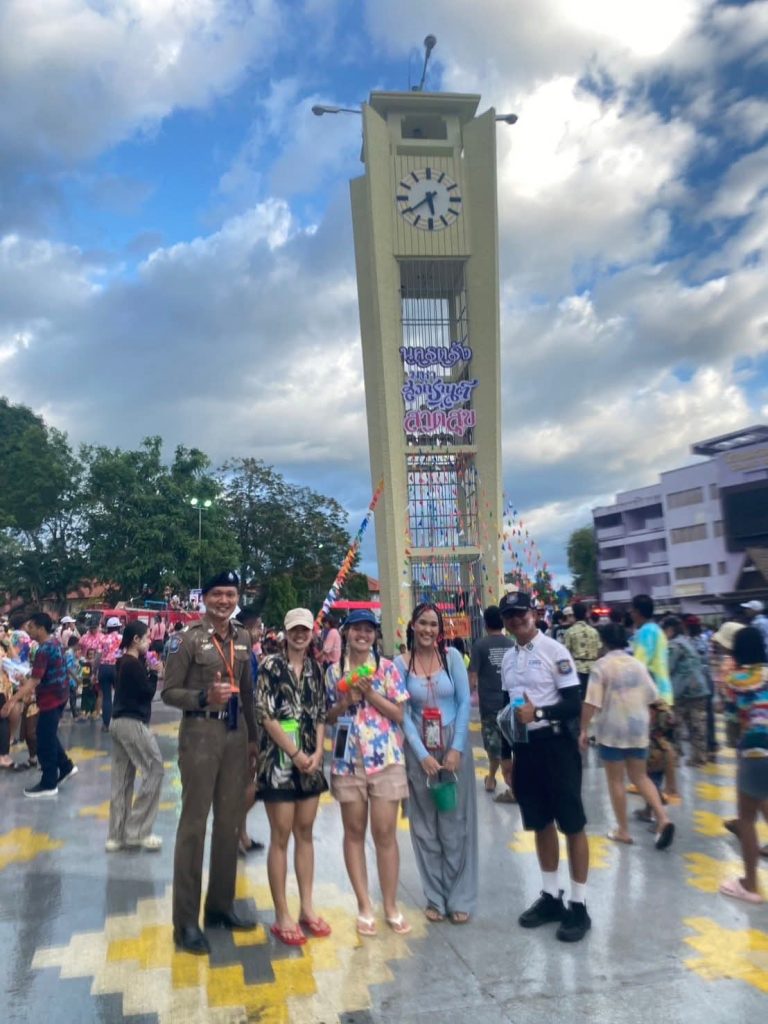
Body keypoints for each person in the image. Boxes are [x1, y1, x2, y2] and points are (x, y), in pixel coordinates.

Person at [162, 570, 258, 956]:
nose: (224, 600)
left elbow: (247, 691)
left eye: (230, 594)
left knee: (229, 823)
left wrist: (253, 739)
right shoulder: (186, 639)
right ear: (205, 598)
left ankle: (220, 906)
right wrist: (204, 697)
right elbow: (169, 692)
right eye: (217, 594)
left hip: (236, 735)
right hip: (200, 734)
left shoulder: (244, 638)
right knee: (194, 826)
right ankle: (185, 922)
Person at [498, 591, 590, 943]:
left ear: (533, 614)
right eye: (509, 615)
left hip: (557, 746)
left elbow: (573, 703)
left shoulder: (555, 651)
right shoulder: (508, 659)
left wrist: (538, 712)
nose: (516, 619)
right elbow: (507, 708)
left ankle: (579, 904)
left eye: (521, 612)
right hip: (526, 749)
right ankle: (551, 896)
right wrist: (506, 754)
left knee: (572, 824)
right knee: (540, 823)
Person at [326, 608, 411, 936]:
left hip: (385, 758)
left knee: (385, 832)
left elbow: (399, 714)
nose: (362, 635)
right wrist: (345, 701)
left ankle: (390, 905)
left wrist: (371, 694)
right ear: (346, 633)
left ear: (375, 635)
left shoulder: (387, 669)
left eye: (368, 630)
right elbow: (327, 716)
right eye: (356, 629)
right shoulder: (333, 672)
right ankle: (364, 905)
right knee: (353, 831)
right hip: (347, 759)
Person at [394, 602, 477, 925]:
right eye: (423, 623)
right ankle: (435, 897)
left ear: (439, 630)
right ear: (412, 626)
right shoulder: (400, 664)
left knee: (455, 823)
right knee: (425, 826)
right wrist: (422, 755)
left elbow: (464, 702)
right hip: (421, 749)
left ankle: (460, 897)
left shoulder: (451, 658)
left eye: (433, 624)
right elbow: (402, 714)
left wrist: (456, 748)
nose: (428, 630)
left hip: (453, 742)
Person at [254, 607, 330, 947]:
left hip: (310, 763)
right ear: (285, 633)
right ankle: (282, 913)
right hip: (279, 763)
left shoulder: (316, 669)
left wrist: (317, 753)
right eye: (294, 630)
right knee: (281, 835)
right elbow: (265, 714)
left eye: (305, 630)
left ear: (312, 633)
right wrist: (295, 753)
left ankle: (307, 907)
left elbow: (321, 713)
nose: (300, 635)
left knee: (305, 833)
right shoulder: (270, 666)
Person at [578, 623, 675, 849]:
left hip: (612, 730)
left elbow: (591, 702)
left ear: (603, 642)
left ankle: (623, 830)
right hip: (638, 727)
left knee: (615, 780)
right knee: (640, 777)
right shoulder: (637, 664)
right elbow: (653, 696)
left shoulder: (602, 666)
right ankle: (663, 818)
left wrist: (583, 729)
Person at [718, 626, 768, 903]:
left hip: (755, 752)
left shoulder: (735, 680)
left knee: (746, 819)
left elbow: (732, 724)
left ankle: (749, 884)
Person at [106, 621, 164, 852]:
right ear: (136, 640)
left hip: (118, 722)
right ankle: (137, 831)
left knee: (122, 778)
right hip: (132, 722)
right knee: (154, 768)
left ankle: (116, 835)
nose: (149, 642)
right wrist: (155, 674)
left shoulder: (124, 663)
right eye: (146, 637)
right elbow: (147, 693)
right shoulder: (133, 665)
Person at [7, 612, 78, 797]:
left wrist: (12, 700)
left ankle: (49, 783)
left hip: (50, 699)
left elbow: (35, 681)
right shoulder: (54, 644)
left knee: (44, 741)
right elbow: (40, 674)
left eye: (31, 627)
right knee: (48, 734)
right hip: (59, 696)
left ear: (40, 628)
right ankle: (66, 766)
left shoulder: (44, 649)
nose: (28, 630)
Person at [468, 605, 514, 802]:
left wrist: (467, 696)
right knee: (509, 744)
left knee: (493, 745)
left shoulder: (479, 645)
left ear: (485, 624)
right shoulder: (512, 644)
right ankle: (493, 779)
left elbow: (472, 677)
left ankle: (506, 784)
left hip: (489, 705)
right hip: (511, 704)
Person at [234, 605, 265, 856]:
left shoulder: (250, 654)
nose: (260, 632)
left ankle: (241, 835)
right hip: (244, 725)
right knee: (252, 782)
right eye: (256, 627)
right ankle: (232, 829)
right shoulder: (242, 655)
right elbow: (246, 695)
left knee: (248, 781)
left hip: (250, 723)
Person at [663, 616, 709, 767]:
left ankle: (675, 757)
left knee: (675, 725)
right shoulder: (688, 642)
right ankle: (699, 757)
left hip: (682, 691)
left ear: (670, 630)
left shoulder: (674, 645)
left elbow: (667, 667)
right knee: (697, 725)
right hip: (699, 689)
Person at [564, 602, 601, 700]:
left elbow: (565, 653)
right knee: (593, 698)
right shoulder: (594, 631)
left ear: (574, 615)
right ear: (586, 614)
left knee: (580, 698)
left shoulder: (570, 632)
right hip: (594, 668)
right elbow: (599, 650)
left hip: (577, 670)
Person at [98, 617, 122, 731]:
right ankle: (119, 722)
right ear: (118, 627)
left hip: (104, 667)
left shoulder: (103, 638)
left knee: (106, 697)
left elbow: (98, 655)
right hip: (117, 667)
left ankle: (106, 724)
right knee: (120, 695)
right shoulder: (121, 638)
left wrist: (94, 670)